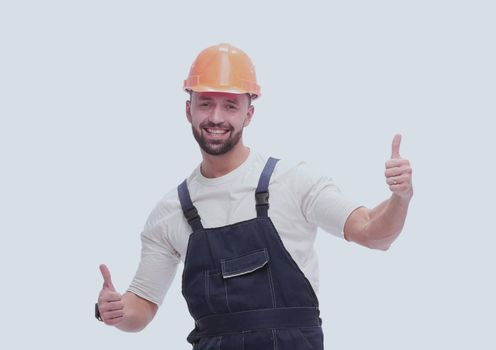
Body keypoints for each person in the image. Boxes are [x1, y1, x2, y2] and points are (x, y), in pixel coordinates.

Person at [95, 43, 413, 349]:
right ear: (188, 109)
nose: (216, 117)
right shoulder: (171, 211)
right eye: (205, 102)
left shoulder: (293, 181)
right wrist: (116, 310)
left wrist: (400, 199)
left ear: (249, 114)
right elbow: (142, 306)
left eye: (230, 105)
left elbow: (373, 233)